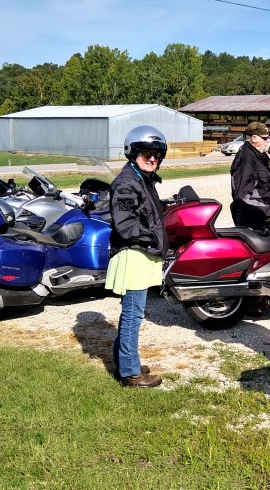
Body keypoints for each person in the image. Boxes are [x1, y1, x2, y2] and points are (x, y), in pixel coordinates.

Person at [106, 125, 169, 388]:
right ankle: (131, 373)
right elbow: (126, 225)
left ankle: (125, 361)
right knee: (133, 315)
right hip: (133, 255)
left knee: (132, 314)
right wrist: (152, 236)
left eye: (156, 154)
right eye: (146, 153)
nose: (152, 158)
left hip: (142, 255)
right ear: (133, 153)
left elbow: (144, 211)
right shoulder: (126, 182)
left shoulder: (141, 178)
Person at [229, 121, 270, 235]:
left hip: (261, 221)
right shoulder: (247, 159)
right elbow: (243, 196)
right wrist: (268, 212)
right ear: (254, 138)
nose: (268, 141)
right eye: (265, 138)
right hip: (251, 223)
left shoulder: (259, 157)